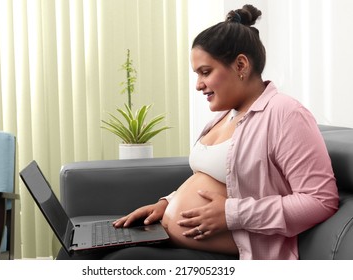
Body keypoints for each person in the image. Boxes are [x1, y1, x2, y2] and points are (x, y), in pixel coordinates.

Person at [90, 4, 338, 261]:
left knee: (117, 262)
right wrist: (165, 205)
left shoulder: (286, 113)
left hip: (242, 253)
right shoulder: (226, 115)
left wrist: (232, 214)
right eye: (197, 74)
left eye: (205, 72)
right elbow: (213, 178)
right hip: (180, 238)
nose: (199, 85)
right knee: (83, 254)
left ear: (241, 64)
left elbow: (321, 200)